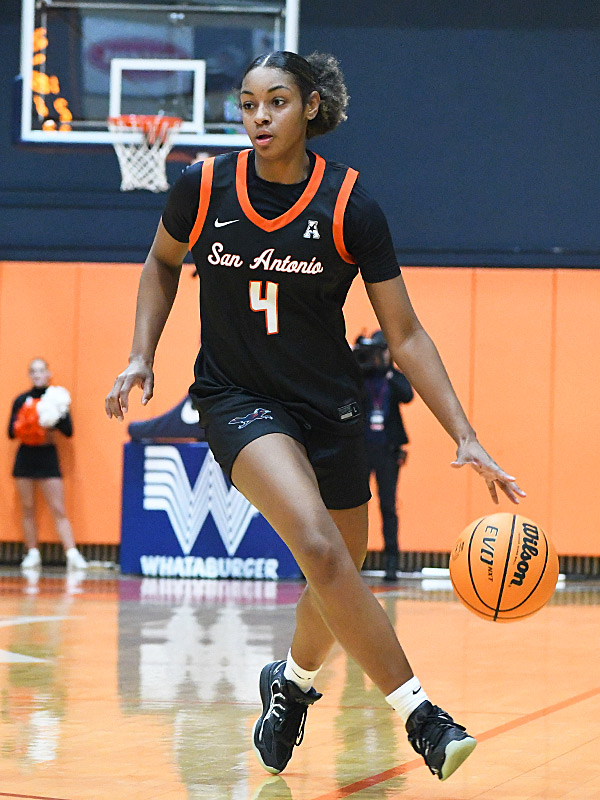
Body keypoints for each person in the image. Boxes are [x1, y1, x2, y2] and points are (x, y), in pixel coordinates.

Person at [105, 50, 525, 782]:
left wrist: (465, 432)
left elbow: (406, 334)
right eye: (247, 104)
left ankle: (290, 686)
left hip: (328, 407)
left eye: (274, 102)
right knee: (322, 551)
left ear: (310, 109)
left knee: (336, 576)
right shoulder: (202, 187)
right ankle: (423, 717)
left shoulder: (350, 205)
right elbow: (161, 262)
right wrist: (142, 353)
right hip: (237, 399)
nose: (258, 117)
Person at [8, 358, 88, 571]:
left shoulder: (56, 397)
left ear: (48, 373)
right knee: (27, 507)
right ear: (29, 375)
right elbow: (10, 431)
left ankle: (72, 553)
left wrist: (51, 420)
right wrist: (27, 423)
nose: (37, 375)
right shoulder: (21, 400)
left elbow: (69, 431)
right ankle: (32, 552)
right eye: (33, 371)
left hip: (47, 456)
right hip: (26, 456)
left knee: (58, 507)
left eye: (41, 370)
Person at [354, 330, 413, 581]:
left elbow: (408, 395)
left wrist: (388, 368)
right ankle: (351, 562)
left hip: (387, 451)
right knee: (354, 504)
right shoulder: (360, 375)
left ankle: (391, 563)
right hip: (360, 449)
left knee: (388, 505)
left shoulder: (392, 377)